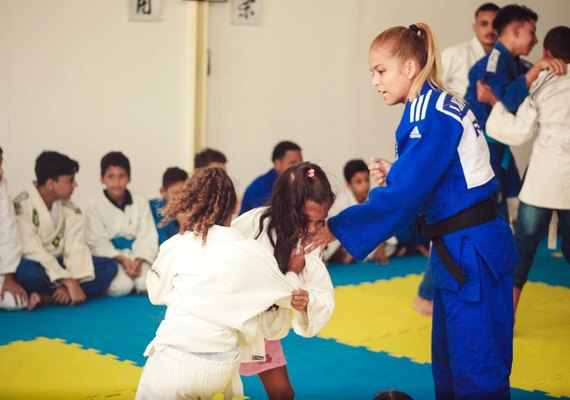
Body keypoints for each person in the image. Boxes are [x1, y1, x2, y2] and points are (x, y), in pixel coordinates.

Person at [307, 23, 518, 399]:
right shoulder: (435, 102)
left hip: (472, 250)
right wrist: (400, 171)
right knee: (451, 364)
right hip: (461, 246)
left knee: (477, 369)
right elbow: (445, 174)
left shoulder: (429, 113)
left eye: (381, 70)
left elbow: (404, 197)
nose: (375, 81)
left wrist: (337, 228)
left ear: (408, 67)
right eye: (372, 72)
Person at [136, 168, 305, 399]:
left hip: (177, 361)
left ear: (192, 204)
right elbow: (288, 296)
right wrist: (294, 271)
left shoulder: (178, 245)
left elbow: (155, 295)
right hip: (224, 365)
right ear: (235, 205)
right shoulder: (252, 251)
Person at [481, 25, 570, 313]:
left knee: (522, 255)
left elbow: (519, 132)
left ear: (546, 52)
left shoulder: (543, 81)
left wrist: (496, 103)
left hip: (544, 180)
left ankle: (507, 323)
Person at [233, 162, 335, 400]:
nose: (313, 229)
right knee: (211, 385)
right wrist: (291, 273)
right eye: (306, 220)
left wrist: (308, 300)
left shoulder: (311, 240)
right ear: (287, 208)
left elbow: (320, 286)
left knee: (283, 393)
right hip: (230, 321)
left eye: (320, 221)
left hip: (265, 325)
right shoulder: (252, 225)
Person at [465, 4, 566, 224]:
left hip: (499, 144)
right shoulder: (491, 64)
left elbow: (513, 99)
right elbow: (509, 101)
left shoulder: (519, 65)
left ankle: (505, 251)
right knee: (489, 201)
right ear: (516, 31)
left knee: (510, 193)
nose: (536, 40)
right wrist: (538, 67)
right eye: (532, 32)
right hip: (482, 146)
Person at [14, 151, 117, 307]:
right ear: (50, 184)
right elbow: (31, 249)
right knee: (25, 270)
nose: (75, 185)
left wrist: (73, 280)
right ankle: (65, 293)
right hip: (39, 265)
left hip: (63, 264)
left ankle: (47, 297)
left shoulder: (69, 207)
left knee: (108, 266)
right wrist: (66, 280)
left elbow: (76, 247)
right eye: (70, 180)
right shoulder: (22, 204)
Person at [85, 151, 158, 296]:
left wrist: (138, 260)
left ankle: (136, 271)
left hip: (136, 256)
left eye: (121, 176)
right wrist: (122, 259)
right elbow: (96, 242)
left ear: (129, 177)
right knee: (122, 286)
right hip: (112, 258)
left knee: (145, 283)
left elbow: (147, 236)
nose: (116, 183)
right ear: (102, 178)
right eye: (111, 177)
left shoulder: (140, 201)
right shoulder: (94, 204)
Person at [324, 159, 397, 265]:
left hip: (369, 237)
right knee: (334, 245)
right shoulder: (342, 200)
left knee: (391, 242)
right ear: (348, 184)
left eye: (367, 180)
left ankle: (359, 253)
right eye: (358, 182)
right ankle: (348, 253)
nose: (365, 185)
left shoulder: (374, 195)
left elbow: (381, 223)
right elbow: (333, 227)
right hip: (345, 239)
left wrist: (380, 245)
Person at [0, 147, 35, 311]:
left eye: (0, 165)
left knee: (15, 301)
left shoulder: (2, 184)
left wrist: (9, 277)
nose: (1, 171)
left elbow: (8, 229)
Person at [441, 3, 500, 97]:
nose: (490, 29)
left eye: (495, 24)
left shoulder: (504, 58)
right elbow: (432, 85)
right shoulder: (454, 53)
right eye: (484, 24)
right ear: (475, 27)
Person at [239, 140, 302, 215]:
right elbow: (265, 218)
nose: (298, 167)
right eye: (292, 163)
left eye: (300, 163)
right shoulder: (261, 186)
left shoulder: (299, 184)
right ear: (277, 163)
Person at [149, 167, 189, 245]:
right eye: (176, 193)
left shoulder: (191, 209)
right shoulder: (152, 210)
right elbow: (163, 245)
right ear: (163, 192)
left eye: (185, 192)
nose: (182, 197)